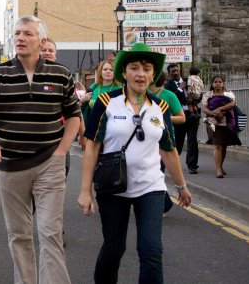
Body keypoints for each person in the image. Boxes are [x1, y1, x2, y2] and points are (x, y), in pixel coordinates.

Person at [0, 15, 81, 284]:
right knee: (19, 235)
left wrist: (62, 151)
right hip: (11, 165)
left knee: (49, 232)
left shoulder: (61, 74)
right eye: (17, 33)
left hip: (49, 162)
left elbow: (73, 116)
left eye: (27, 34)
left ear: (42, 41)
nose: (20, 38)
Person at [78, 43, 192, 284]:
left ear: (153, 74)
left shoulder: (160, 107)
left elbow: (168, 149)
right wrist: (85, 190)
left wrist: (181, 186)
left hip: (150, 187)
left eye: (147, 68)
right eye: (134, 68)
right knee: (114, 249)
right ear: (124, 72)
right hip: (113, 187)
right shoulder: (107, 101)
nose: (141, 73)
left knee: (151, 250)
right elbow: (93, 146)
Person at [149, 72, 185, 215]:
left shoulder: (169, 95)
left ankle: (162, 205)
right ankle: (164, 203)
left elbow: (182, 118)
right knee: (151, 174)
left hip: (164, 139)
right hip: (145, 141)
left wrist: (164, 118)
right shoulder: (140, 94)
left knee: (157, 173)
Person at [201, 75, 240, 178]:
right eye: (215, 82)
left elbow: (233, 104)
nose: (217, 83)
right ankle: (218, 169)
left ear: (223, 84)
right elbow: (204, 109)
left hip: (227, 122)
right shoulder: (208, 95)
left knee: (224, 146)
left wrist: (221, 108)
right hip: (213, 123)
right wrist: (214, 113)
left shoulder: (229, 94)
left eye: (220, 82)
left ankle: (221, 166)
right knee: (218, 145)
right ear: (212, 84)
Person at [165, 63, 200, 174]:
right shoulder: (168, 85)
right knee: (178, 142)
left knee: (192, 140)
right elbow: (171, 98)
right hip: (179, 116)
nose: (175, 73)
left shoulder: (188, 80)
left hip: (192, 115)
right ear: (169, 74)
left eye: (176, 70)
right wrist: (180, 89)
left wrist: (194, 101)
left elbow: (199, 93)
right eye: (172, 72)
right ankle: (173, 164)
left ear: (179, 70)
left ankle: (192, 166)